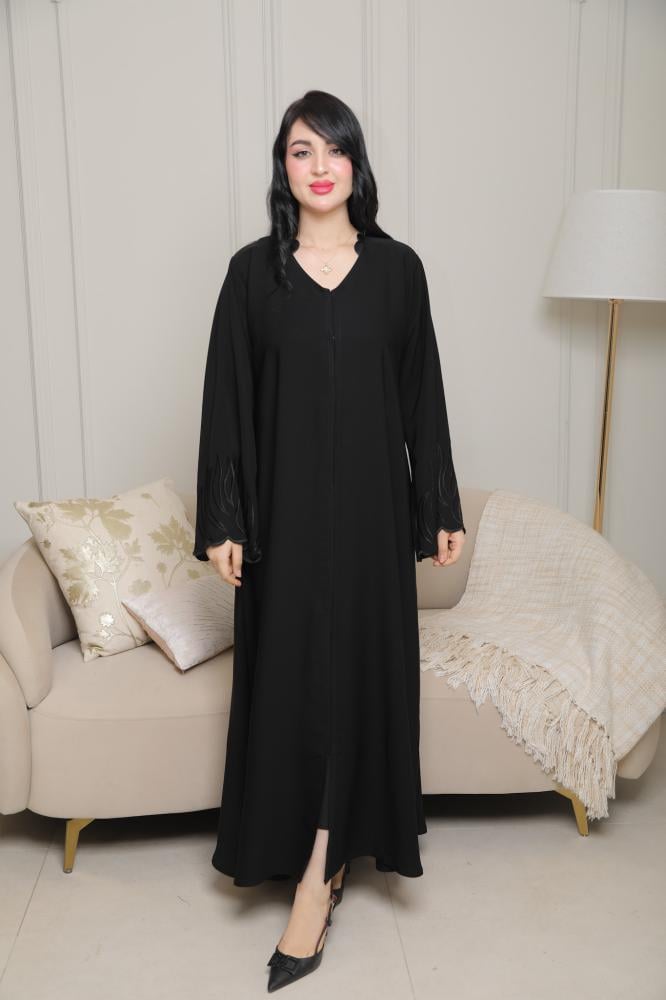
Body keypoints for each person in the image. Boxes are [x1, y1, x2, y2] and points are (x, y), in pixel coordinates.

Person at [193, 89, 466, 992]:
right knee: (299, 685)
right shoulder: (251, 275)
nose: (319, 167)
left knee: (357, 680)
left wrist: (438, 506)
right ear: (283, 168)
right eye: (301, 151)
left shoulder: (398, 272)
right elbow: (227, 403)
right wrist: (224, 520)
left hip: (373, 525)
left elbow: (422, 394)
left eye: (333, 149)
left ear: (356, 163)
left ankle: (319, 877)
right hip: (283, 526)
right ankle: (318, 852)